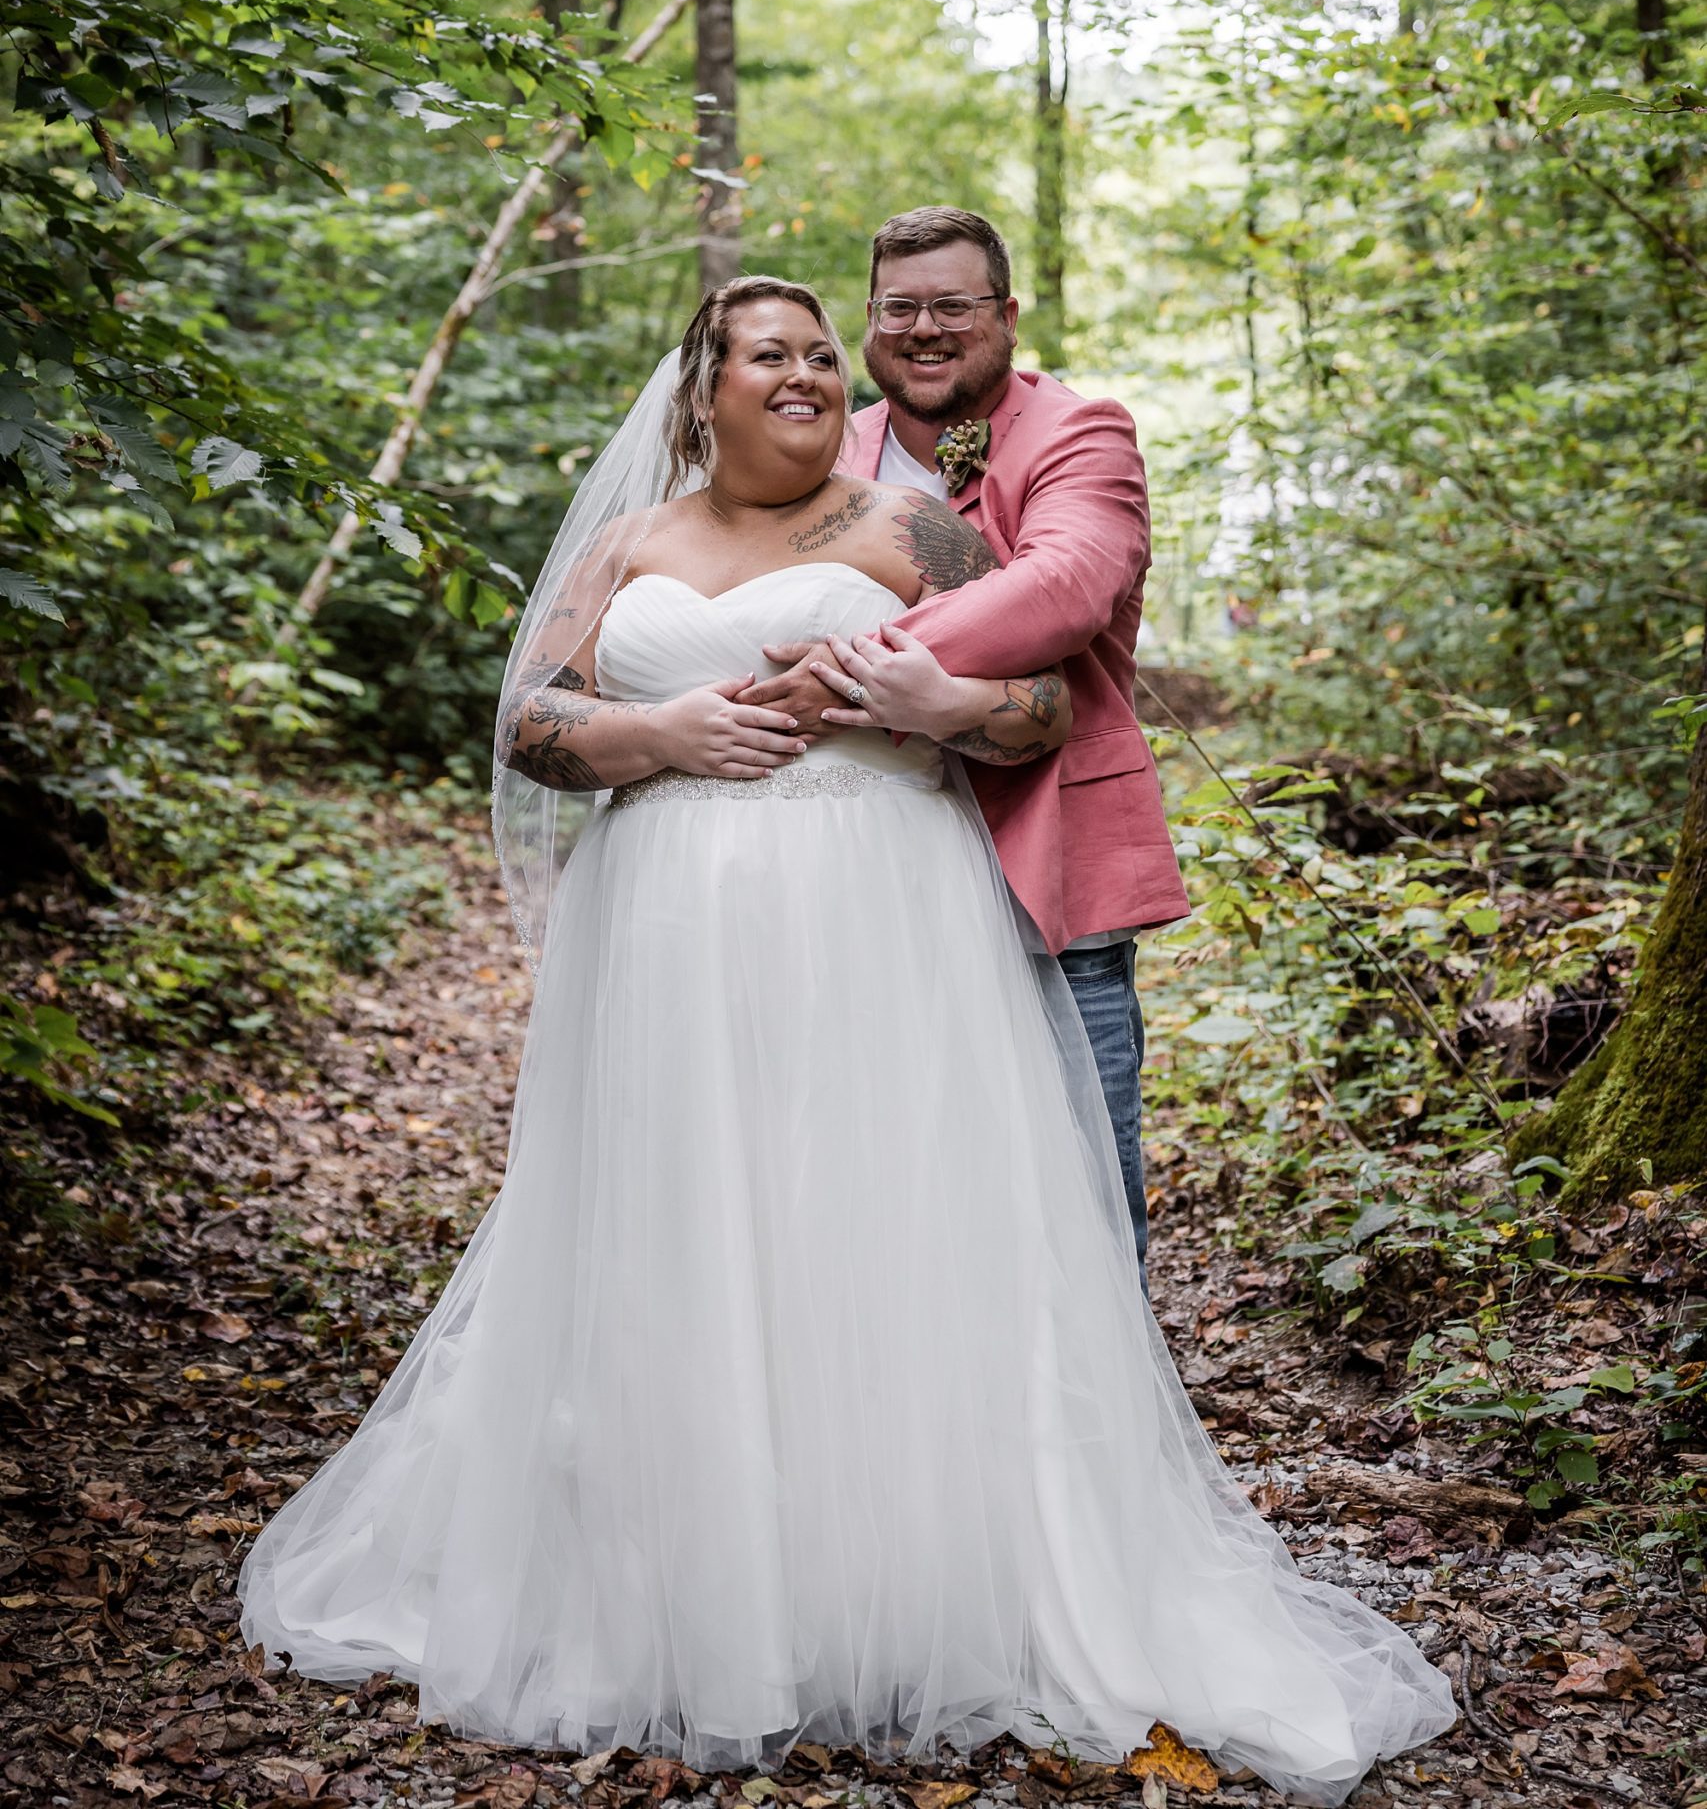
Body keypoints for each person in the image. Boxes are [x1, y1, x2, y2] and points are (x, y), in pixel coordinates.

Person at [239, 276, 1454, 1802]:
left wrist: (932, 700)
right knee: (688, 1228)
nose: (809, 372)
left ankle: (906, 1584)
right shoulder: (625, 546)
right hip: (667, 943)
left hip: (882, 920)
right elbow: (528, 720)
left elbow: (1036, 709)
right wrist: (656, 735)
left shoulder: (906, 529)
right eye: (772, 354)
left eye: (822, 352)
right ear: (703, 391)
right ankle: (692, 1590)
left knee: (877, 1225)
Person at [750, 206, 1186, 1276]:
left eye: (953, 305)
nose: (925, 329)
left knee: (1079, 1188)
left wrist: (846, 667)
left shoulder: (1081, 433)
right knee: (886, 1181)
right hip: (851, 879)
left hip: (1040, 867)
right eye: (899, 307)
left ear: (1007, 314)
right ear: (869, 318)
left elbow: (1066, 585)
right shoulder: (826, 440)